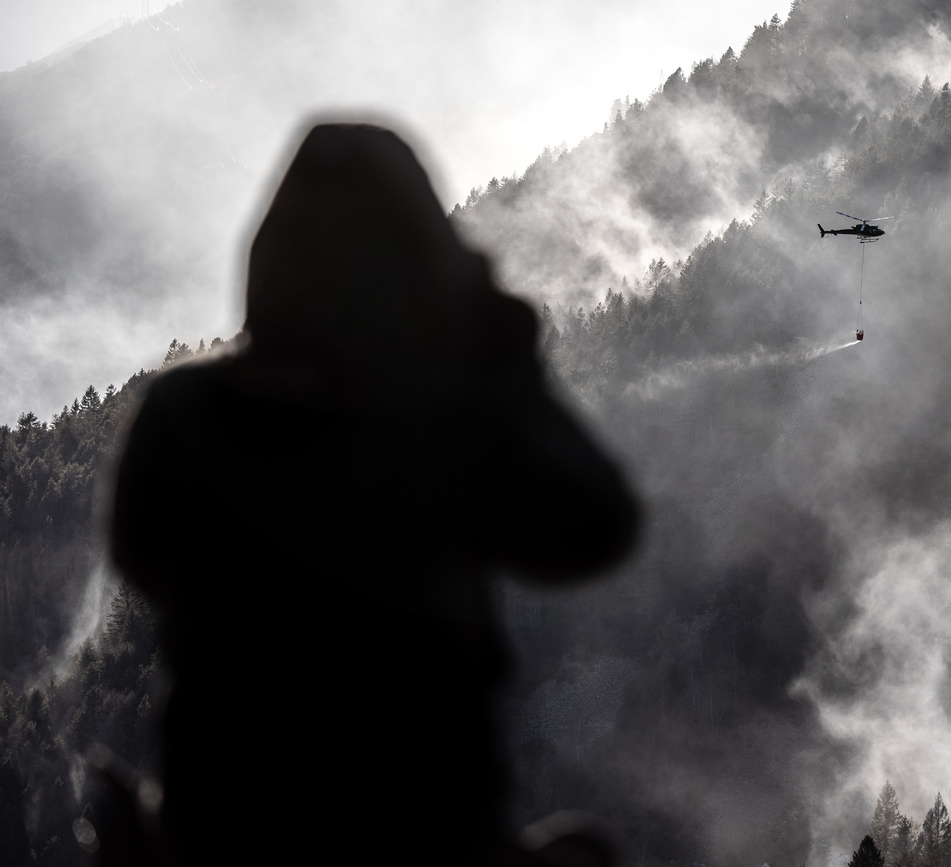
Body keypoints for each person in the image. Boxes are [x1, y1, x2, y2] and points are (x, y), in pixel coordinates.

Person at [106, 122, 639, 865]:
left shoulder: (182, 410)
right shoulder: (452, 421)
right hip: (428, 835)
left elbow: (137, 557)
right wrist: (498, 343)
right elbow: (597, 528)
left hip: (221, 836)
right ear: (421, 264)